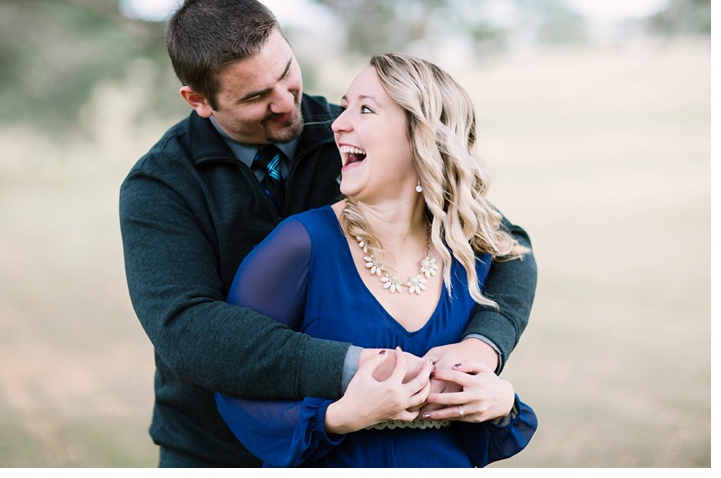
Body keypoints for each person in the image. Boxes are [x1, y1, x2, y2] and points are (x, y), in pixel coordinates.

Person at [119, 0, 537, 467]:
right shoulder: (160, 185)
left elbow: (506, 245)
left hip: (345, 451)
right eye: (256, 96)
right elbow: (187, 329)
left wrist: (484, 344)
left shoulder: (350, 134)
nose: (285, 102)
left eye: (285, 73)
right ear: (199, 100)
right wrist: (361, 367)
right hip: (215, 449)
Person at [213, 52, 537, 467]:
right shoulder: (300, 245)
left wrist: (498, 398)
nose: (338, 122)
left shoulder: (470, 250)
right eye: (345, 105)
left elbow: (518, 252)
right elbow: (237, 381)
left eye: (365, 109)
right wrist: (339, 417)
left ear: (422, 137)